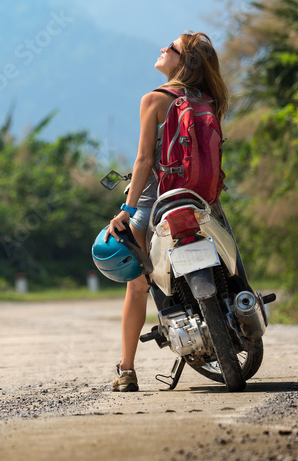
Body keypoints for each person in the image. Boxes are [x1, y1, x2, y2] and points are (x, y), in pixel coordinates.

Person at [104, 31, 229, 392]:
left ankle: (126, 370)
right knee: (229, 258)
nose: (162, 49)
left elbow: (144, 159)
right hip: (200, 200)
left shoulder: (154, 99)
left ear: (183, 60)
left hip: (154, 205)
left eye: (170, 47)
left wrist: (127, 209)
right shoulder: (210, 100)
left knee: (137, 287)